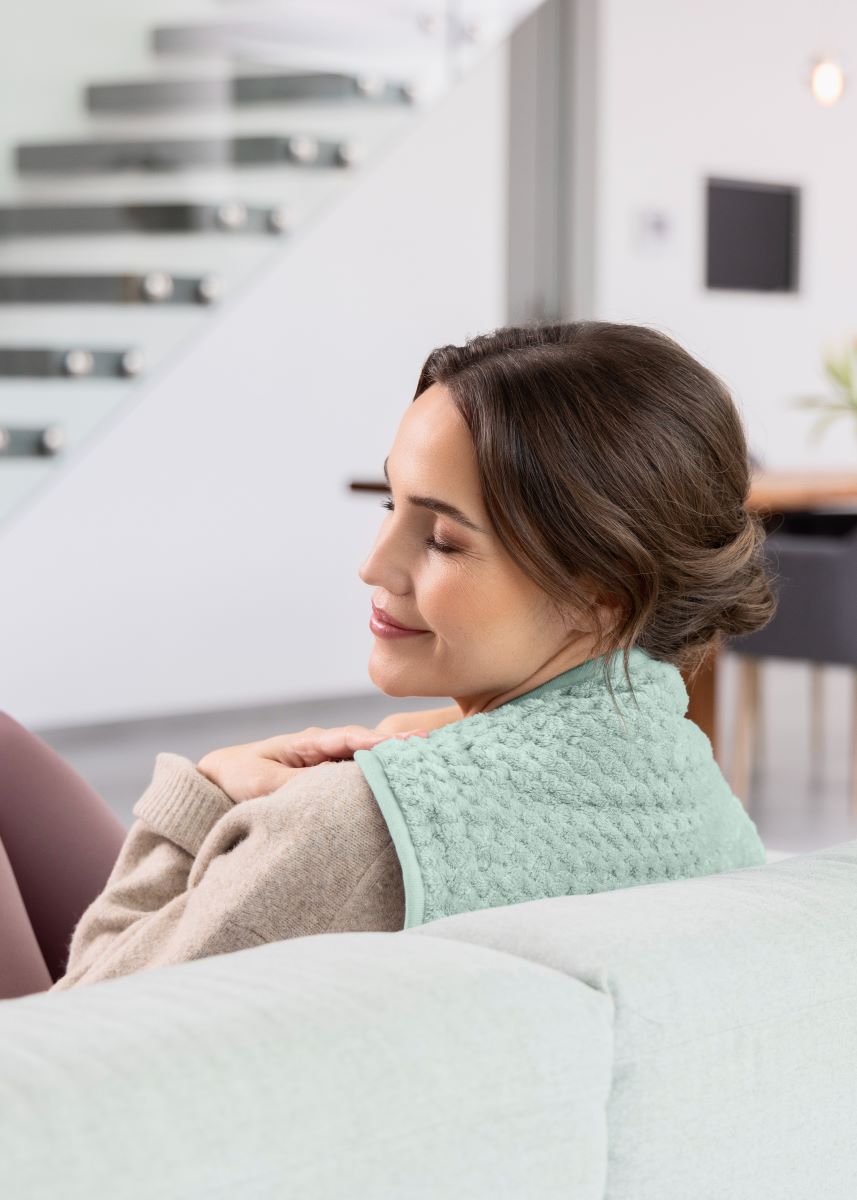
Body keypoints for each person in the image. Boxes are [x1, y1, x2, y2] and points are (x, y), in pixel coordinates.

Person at [1, 320, 777, 1000]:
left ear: (601, 592)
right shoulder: (706, 814)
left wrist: (202, 796)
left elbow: (81, 1034)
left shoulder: (346, 832)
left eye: (442, 539)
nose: (374, 564)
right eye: (388, 505)